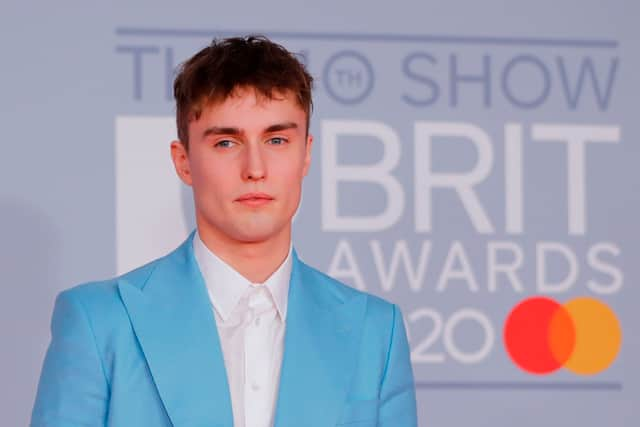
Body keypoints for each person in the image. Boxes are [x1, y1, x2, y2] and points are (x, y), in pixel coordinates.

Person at [31, 35, 417, 427]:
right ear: (183, 162)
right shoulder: (100, 322)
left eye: (277, 139)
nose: (255, 167)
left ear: (306, 154)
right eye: (227, 142)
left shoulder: (375, 332)